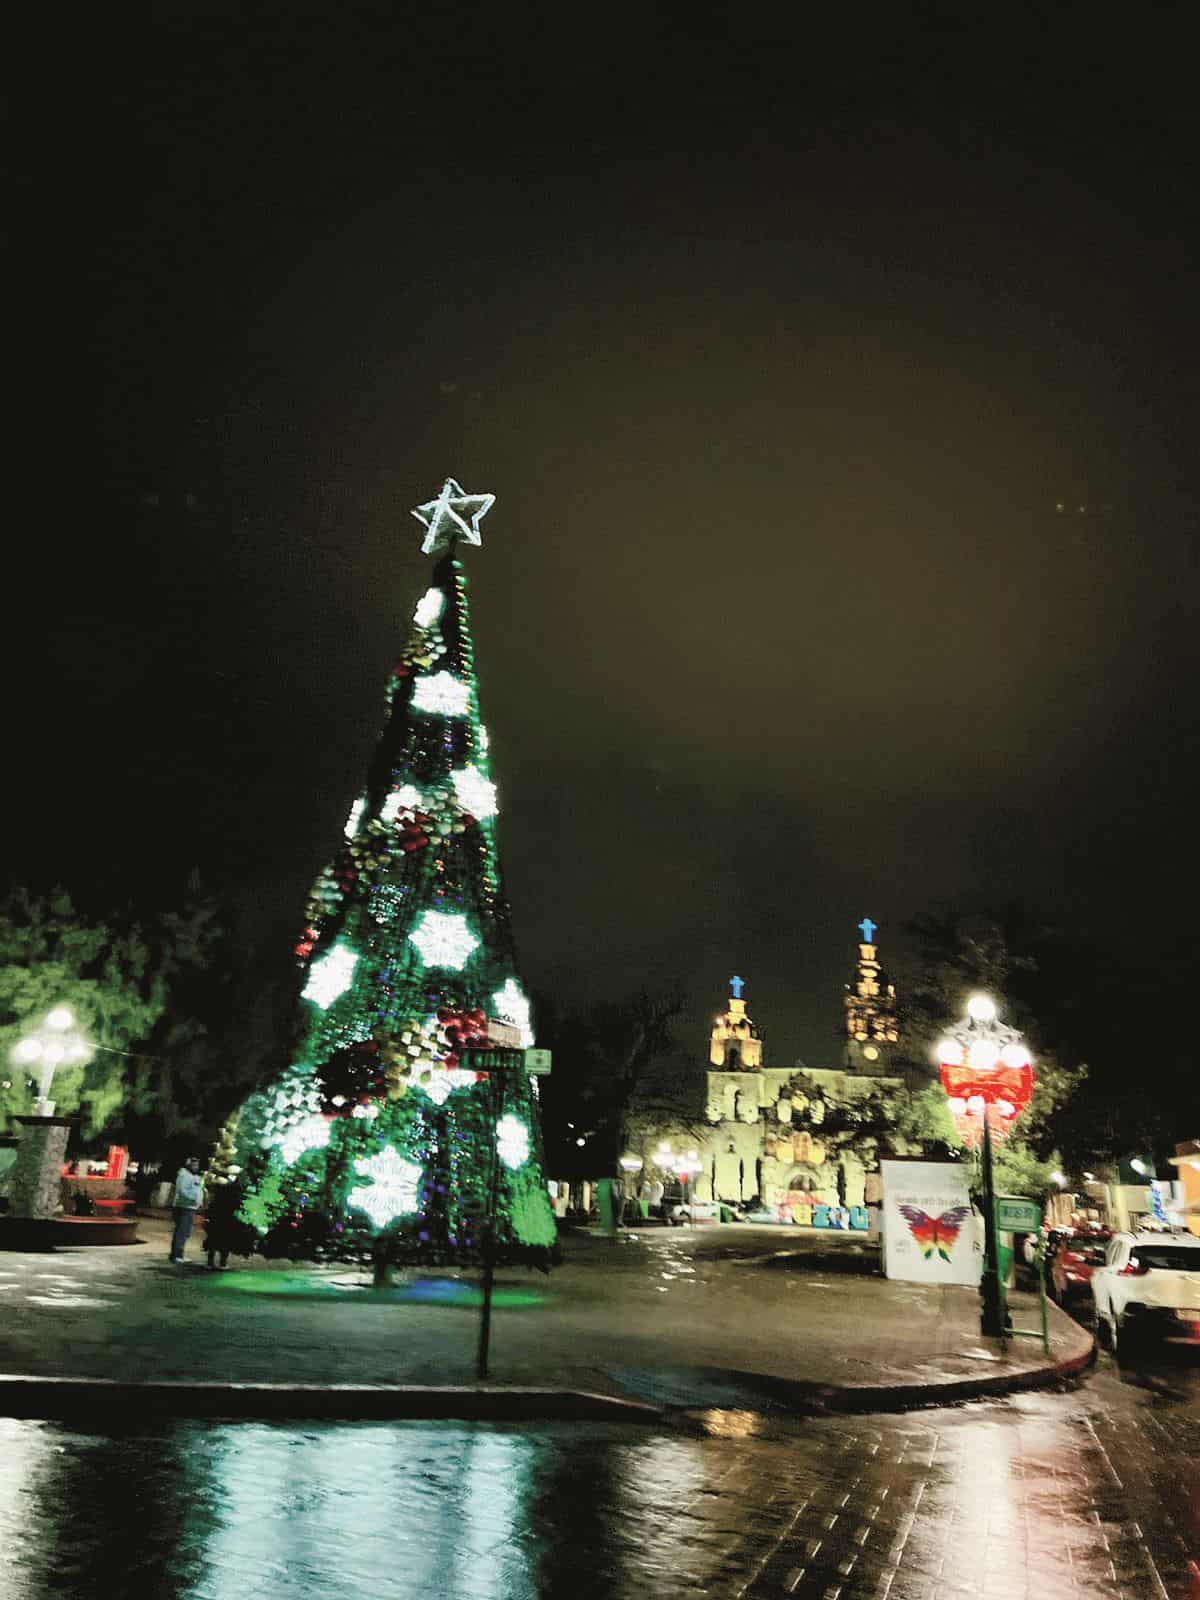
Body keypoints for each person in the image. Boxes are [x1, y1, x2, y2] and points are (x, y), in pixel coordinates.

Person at [204, 1175, 243, 1270]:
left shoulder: (219, 1188)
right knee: (225, 1241)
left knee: (213, 1239)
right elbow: (237, 1204)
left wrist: (209, 1215)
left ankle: (210, 1262)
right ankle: (223, 1263)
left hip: (217, 1217)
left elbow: (212, 1203)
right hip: (227, 1218)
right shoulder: (235, 1190)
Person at [170, 1156, 204, 1262]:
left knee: (185, 1232)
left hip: (189, 1207)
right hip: (184, 1207)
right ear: (188, 1165)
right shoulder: (184, 1175)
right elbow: (182, 1191)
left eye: (197, 1165)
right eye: (194, 1165)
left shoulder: (192, 1176)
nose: (196, 1167)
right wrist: (194, 1199)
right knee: (182, 1232)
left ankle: (179, 1254)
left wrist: (199, 1200)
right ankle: (177, 1255)